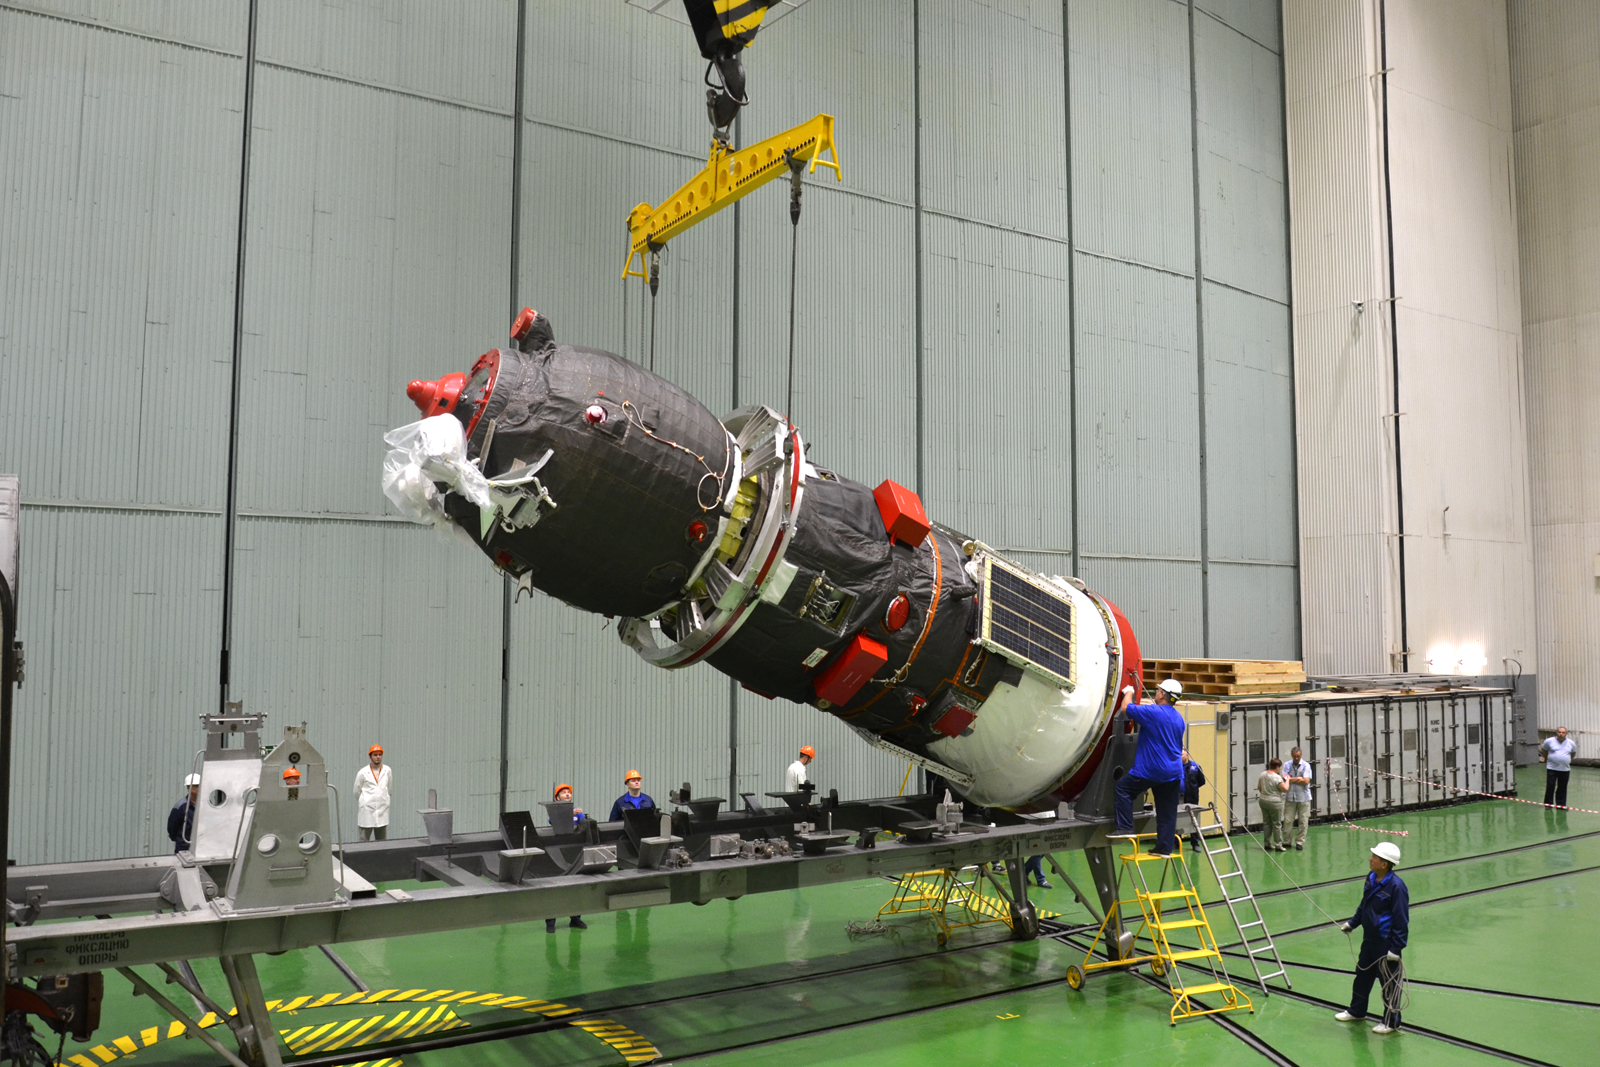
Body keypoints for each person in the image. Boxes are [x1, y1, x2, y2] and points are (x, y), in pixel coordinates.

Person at [1334, 841, 1409, 1034]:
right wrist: (1352, 923)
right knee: (1362, 976)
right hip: (1369, 940)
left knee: (1389, 983)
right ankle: (1357, 1010)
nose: (1370, 859)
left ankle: (1392, 1022)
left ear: (1384, 864)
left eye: (1374, 857)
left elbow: (1401, 919)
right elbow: (1365, 905)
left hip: (1386, 943)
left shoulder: (1397, 887)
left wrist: (1396, 948)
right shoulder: (1371, 877)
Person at [1110, 678, 1187, 856]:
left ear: (1163, 695)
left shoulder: (1153, 712)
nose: (1156, 693)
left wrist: (1128, 691)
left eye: (1158, 690)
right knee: (1167, 812)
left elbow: (1126, 708)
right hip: (1173, 772)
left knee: (1123, 789)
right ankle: (1164, 848)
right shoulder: (1179, 718)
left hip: (1151, 769)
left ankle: (1125, 828)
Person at [547, 784, 588, 932]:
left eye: (569, 792)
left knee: (575, 887)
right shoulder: (556, 811)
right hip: (558, 853)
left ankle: (575, 919)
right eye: (563, 792)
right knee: (554, 888)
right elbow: (553, 821)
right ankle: (551, 922)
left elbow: (583, 823)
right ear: (557, 798)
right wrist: (570, 813)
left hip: (573, 852)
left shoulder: (577, 812)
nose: (567, 794)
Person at [355, 744, 392, 841]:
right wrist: (365, 801)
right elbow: (357, 791)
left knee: (382, 841)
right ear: (370, 756)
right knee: (364, 840)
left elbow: (388, 787)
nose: (378, 757)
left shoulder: (387, 770)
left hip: (382, 809)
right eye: (375, 755)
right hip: (367, 810)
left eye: (380, 754)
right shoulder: (363, 772)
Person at [1284, 747, 1313, 850]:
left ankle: (1299, 842)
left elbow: (1306, 781)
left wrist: (1290, 779)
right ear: (1292, 755)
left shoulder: (1306, 765)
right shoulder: (1287, 765)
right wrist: (1299, 778)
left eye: (1298, 756)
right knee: (1288, 820)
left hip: (1304, 798)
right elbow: (1284, 778)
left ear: (1301, 755)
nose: (1296, 758)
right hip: (1290, 797)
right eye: (1294, 756)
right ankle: (1287, 841)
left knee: (1303, 821)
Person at [1540, 726, 1577, 808]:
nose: (1561, 734)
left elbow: (1573, 753)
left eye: (1563, 733)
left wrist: (1566, 759)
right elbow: (1544, 750)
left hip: (1565, 769)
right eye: (1559, 732)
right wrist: (1548, 758)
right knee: (1550, 786)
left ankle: (1561, 805)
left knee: (1562, 788)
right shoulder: (1549, 741)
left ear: (1566, 734)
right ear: (1556, 732)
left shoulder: (1571, 743)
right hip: (1552, 768)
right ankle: (1548, 804)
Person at [1258, 758, 1288, 851]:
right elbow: (1285, 789)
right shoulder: (1277, 778)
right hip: (1275, 802)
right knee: (1276, 824)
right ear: (1277, 767)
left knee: (1267, 823)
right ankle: (1278, 845)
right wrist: (1288, 780)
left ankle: (1267, 843)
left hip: (1263, 800)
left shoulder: (1263, 774)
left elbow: (1259, 787)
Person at [167, 773, 200, 853]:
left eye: (200, 785)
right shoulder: (181, 807)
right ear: (189, 788)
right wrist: (181, 841)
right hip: (184, 848)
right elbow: (172, 828)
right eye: (196, 786)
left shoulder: (206, 804)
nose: (199, 788)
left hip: (202, 847)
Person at [1180, 750, 1207, 850]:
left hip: (1192, 797)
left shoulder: (1195, 767)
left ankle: (1195, 843)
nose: (1180, 756)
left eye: (1181, 754)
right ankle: (1177, 843)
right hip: (1178, 797)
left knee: (1194, 820)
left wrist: (1192, 788)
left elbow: (1201, 781)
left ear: (1187, 755)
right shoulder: (1176, 766)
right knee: (1177, 820)